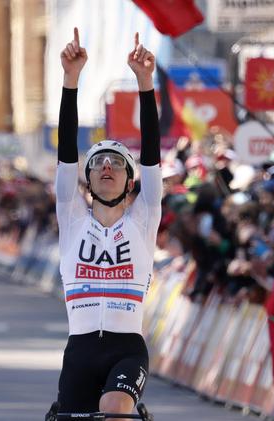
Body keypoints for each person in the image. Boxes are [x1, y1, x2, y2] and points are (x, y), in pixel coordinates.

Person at [53, 28, 161, 417]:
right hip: (80, 349)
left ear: (130, 181)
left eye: (117, 162)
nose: (107, 167)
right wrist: (71, 80)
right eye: (98, 162)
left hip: (126, 349)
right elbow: (66, 155)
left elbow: (151, 157)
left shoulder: (144, 217)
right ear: (89, 178)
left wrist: (144, 83)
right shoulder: (71, 215)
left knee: (114, 409)